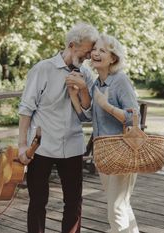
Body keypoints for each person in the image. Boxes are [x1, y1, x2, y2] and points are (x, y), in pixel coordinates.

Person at [17, 22, 99, 233]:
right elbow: (26, 109)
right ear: (72, 45)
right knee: (37, 202)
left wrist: (83, 90)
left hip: (72, 145)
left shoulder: (86, 74)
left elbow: (88, 114)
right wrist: (21, 146)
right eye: (87, 51)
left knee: (73, 202)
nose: (90, 56)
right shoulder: (42, 69)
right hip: (42, 146)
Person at [68, 34, 140, 233]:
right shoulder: (97, 83)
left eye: (102, 50)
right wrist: (75, 96)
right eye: (95, 50)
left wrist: (106, 106)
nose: (96, 53)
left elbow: (134, 117)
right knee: (121, 205)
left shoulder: (120, 81)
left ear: (113, 58)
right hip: (104, 154)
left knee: (116, 210)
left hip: (122, 152)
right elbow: (87, 118)